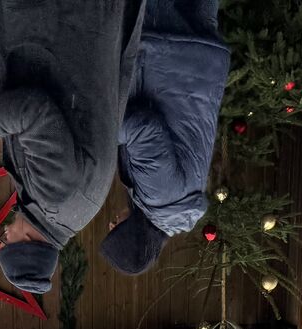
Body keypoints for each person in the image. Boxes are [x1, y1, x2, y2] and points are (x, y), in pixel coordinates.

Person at [0, 0, 146, 295]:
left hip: (73, 27)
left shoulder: (64, 210)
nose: (4, 231)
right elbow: (32, 112)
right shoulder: (57, 197)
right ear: (25, 243)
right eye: (5, 239)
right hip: (61, 20)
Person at [96, 0, 228, 276]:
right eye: (114, 230)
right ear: (132, 235)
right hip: (168, 56)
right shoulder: (160, 197)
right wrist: (102, 136)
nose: (111, 223)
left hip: (198, 65)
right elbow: (143, 127)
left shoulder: (175, 207)